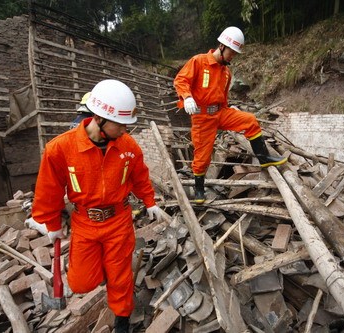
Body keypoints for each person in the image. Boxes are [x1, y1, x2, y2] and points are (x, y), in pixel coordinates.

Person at [31, 79, 163, 333]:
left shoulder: (128, 147)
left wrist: (150, 202)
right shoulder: (60, 149)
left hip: (119, 221)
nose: (125, 131)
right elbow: (49, 190)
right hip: (84, 223)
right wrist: (53, 224)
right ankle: (103, 271)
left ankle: (122, 321)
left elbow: (140, 176)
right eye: (121, 125)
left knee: (121, 278)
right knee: (81, 283)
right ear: (99, 119)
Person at [173, 26, 288, 204]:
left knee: (250, 120)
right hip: (202, 117)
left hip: (221, 112)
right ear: (222, 46)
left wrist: (229, 108)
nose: (233, 56)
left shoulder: (227, 72)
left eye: (235, 53)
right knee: (202, 156)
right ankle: (199, 188)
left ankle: (264, 158)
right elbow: (181, 80)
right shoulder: (199, 61)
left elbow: (223, 96)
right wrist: (187, 97)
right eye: (232, 52)